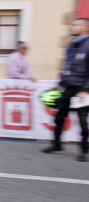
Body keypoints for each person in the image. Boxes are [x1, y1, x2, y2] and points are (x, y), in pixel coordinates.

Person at [42, 18, 89, 162]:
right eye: (73, 24)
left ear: (86, 27)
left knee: (82, 121)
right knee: (59, 117)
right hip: (68, 87)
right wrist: (60, 84)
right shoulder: (72, 45)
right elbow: (67, 67)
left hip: (82, 89)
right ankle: (56, 144)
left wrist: (86, 89)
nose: (73, 26)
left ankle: (83, 151)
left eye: (77, 24)